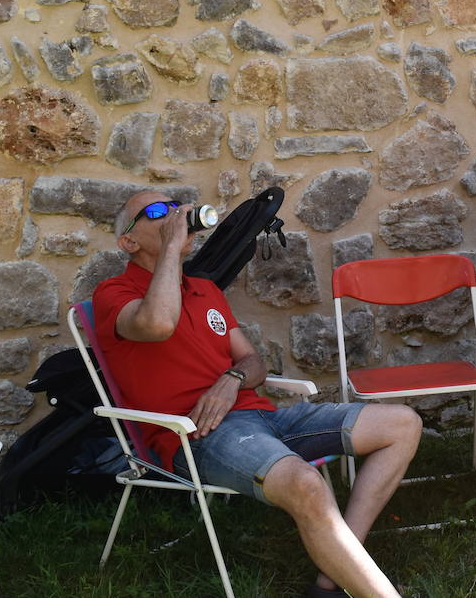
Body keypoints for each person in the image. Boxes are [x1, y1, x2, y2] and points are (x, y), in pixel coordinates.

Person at [94, 190, 421, 598]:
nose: (175, 214)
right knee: (305, 483)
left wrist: (230, 379)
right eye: (157, 212)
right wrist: (173, 247)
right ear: (128, 242)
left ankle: (333, 578)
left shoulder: (205, 291)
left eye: (176, 205)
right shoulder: (113, 294)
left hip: (262, 417)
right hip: (197, 435)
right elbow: (158, 323)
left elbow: (253, 362)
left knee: (401, 424)